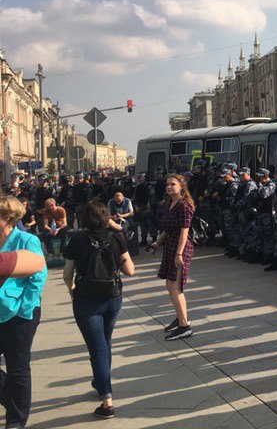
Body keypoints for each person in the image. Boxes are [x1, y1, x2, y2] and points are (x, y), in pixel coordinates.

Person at [62, 200, 135, 419]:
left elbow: (67, 273)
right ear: (106, 216)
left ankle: (107, 400)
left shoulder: (77, 240)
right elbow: (130, 270)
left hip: (86, 299)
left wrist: (71, 290)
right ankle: (101, 381)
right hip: (112, 297)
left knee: (97, 348)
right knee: (105, 341)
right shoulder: (116, 237)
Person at [0, 195, 48, 429]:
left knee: (17, 368)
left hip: (19, 314)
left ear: (7, 218)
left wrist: (24, 308)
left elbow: (39, 276)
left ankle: (16, 421)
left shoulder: (27, 239)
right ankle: (15, 403)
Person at [146, 174, 195, 340]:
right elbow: (167, 230)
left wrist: (179, 254)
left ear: (181, 186)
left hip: (181, 248)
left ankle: (185, 326)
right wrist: (156, 243)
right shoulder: (170, 203)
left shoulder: (184, 206)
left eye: (172, 184)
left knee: (176, 286)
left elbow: (184, 232)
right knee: (170, 285)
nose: (168, 187)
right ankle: (180, 317)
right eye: (167, 184)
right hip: (170, 246)